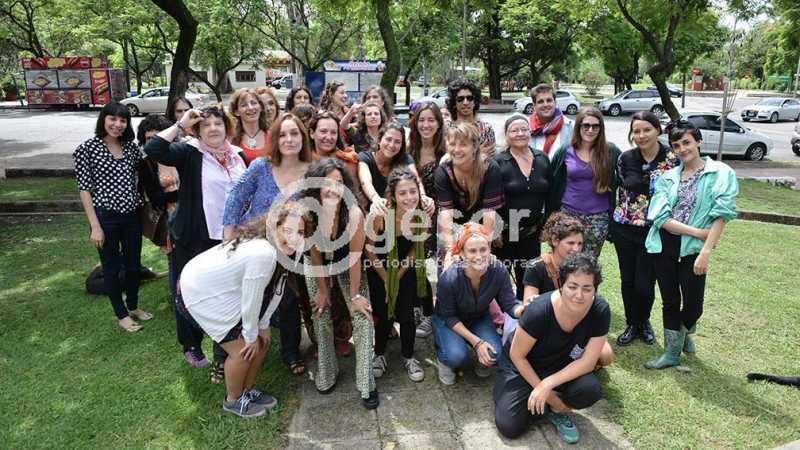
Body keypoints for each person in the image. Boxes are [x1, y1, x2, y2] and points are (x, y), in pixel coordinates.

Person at [178, 202, 310, 418]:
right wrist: (249, 336)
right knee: (241, 350)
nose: (294, 237)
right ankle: (232, 400)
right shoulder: (263, 253)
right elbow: (251, 299)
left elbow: (278, 289)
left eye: (301, 232)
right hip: (198, 292)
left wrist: (263, 326)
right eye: (287, 230)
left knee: (262, 342)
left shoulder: (291, 250)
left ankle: (245, 393)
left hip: (223, 290)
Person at [144, 104, 247, 372]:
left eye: (218, 123)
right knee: (189, 292)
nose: (213, 128)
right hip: (194, 237)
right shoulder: (190, 152)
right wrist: (181, 124)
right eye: (206, 124)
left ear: (227, 127)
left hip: (229, 238)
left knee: (225, 294)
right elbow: (153, 149)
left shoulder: (238, 156)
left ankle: (224, 350)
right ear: (197, 130)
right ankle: (191, 345)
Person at [222, 112, 313, 374]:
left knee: (287, 299)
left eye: (294, 133)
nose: (289, 139)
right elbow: (236, 197)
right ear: (274, 139)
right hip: (253, 244)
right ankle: (224, 354)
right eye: (283, 134)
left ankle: (291, 351)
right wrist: (228, 235)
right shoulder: (261, 166)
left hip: (288, 250)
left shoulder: (312, 172)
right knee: (242, 298)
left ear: (303, 138)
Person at [644, 120, 738, 369]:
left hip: (694, 249)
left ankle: (682, 333)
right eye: (676, 146)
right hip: (664, 244)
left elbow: (722, 214)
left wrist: (705, 250)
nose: (682, 149)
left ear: (698, 141)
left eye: (686, 142)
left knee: (694, 305)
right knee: (670, 300)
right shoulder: (667, 177)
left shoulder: (721, 173)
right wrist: (699, 232)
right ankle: (671, 353)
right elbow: (660, 218)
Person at [494, 253, 612, 444]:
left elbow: (588, 362)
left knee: (590, 389)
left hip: (560, 365)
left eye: (587, 288)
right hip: (523, 366)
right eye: (572, 286)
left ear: (595, 289)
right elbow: (517, 355)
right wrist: (549, 395)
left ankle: (553, 409)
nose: (579, 295)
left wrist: (547, 385)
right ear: (561, 285)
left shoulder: (600, 310)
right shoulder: (539, 310)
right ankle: (545, 404)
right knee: (509, 426)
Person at [299, 158, 379, 409]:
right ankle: (327, 371)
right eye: (327, 183)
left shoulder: (353, 213)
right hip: (318, 263)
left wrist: (354, 296)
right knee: (320, 312)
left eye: (339, 182)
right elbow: (315, 257)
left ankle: (366, 383)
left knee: (363, 316)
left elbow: (355, 259)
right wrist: (323, 291)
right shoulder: (308, 213)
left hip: (347, 262)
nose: (334, 188)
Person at [74, 102, 151, 332]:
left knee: (133, 265)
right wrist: (95, 226)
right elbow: (84, 190)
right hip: (105, 217)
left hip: (131, 215)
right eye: (112, 119)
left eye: (123, 120)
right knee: (111, 267)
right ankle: (121, 314)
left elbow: (152, 157)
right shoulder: (87, 149)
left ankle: (133, 306)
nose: (117, 124)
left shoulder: (131, 148)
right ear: (103, 119)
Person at [611, 111, 680, 346]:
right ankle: (632, 323)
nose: (641, 135)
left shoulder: (672, 159)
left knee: (645, 283)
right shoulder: (625, 158)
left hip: (654, 231)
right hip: (625, 228)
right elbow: (621, 189)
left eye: (647, 130)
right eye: (637, 131)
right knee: (628, 280)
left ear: (658, 129)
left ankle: (644, 321)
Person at [433, 223, 525, 385]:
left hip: (478, 317)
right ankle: (444, 358)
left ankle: (481, 359)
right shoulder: (449, 279)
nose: (479, 256)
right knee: (456, 356)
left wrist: (523, 309)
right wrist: (477, 342)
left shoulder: (498, 270)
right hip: (449, 321)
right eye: (472, 251)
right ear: (462, 254)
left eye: (483, 249)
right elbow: (449, 317)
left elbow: (509, 304)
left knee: (495, 353)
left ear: (490, 250)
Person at [364, 168, 432, 382]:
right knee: (383, 313)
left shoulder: (422, 214)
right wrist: (387, 280)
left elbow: (416, 249)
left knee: (407, 314)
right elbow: (369, 249)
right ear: (392, 195)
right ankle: (379, 354)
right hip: (379, 268)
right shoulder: (380, 215)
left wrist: (397, 278)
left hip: (406, 267)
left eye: (413, 191)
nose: (409, 197)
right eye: (402, 193)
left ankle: (409, 356)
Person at [492, 114, 553, 301]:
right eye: (514, 130)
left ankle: (524, 314)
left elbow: (550, 196)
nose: (520, 133)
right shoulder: (497, 162)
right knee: (498, 279)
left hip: (532, 233)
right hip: (504, 234)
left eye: (524, 129)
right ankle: (499, 316)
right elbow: (489, 199)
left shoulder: (542, 159)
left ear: (530, 132)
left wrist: (547, 227)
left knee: (528, 280)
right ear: (507, 135)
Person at [549, 107, 620, 257]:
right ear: (578, 127)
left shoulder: (610, 151)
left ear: (601, 128)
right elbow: (551, 180)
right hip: (568, 214)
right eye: (586, 125)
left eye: (595, 126)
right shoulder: (565, 151)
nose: (590, 130)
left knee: (589, 263)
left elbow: (627, 173)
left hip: (598, 218)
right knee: (566, 260)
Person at [434, 122, 504, 271]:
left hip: (482, 228)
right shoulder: (443, 172)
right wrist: (451, 251)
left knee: (482, 268)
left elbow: (489, 213)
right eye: (452, 144)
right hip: (452, 229)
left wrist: (485, 247)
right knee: (450, 271)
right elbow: (446, 213)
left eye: (463, 144)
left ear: (474, 147)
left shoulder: (490, 168)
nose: (456, 149)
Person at [407, 101, 447, 337]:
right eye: (421, 120)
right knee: (413, 264)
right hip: (410, 215)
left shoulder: (446, 151)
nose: (426, 124)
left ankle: (432, 314)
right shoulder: (408, 150)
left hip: (439, 215)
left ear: (439, 123)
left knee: (436, 267)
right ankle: (417, 309)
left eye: (431, 120)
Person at [137, 114, 179, 293]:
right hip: (168, 220)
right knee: (174, 260)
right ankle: (176, 298)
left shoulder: (181, 152)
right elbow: (156, 199)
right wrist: (181, 194)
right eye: (149, 138)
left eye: (158, 136)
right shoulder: (145, 163)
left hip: (193, 215)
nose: (154, 142)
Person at [358, 122, 433, 217]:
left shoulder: (405, 159)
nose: (392, 145)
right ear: (379, 140)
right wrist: (376, 199)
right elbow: (366, 182)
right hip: (370, 211)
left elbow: (416, 180)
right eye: (388, 139)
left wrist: (423, 197)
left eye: (397, 142)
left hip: (395, 213)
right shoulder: (365, 157)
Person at [446, 79, 496, 156]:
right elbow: (445, 158)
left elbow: (491, 158)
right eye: (460, 99)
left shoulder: (486, 129)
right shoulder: (446, 128)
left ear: (475, 101)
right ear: (454, 102)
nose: (465, 102)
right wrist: (477, 154)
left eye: (470, 98)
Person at [527, 83, 573, 157]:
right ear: (534, 105)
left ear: (555, 102)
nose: (545, 105)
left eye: (549, 100)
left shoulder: (571, 127)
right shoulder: (526, 127)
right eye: (540, 101)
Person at [229, 88, 270, 165]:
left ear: (260, 107)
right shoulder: (231, 140)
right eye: (244, 105)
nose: (250, 108)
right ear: (236, 112)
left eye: (254, 103)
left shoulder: (273, 136)